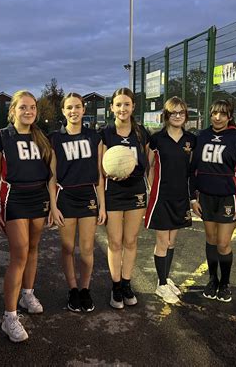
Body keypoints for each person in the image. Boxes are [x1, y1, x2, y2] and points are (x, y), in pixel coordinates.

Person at [0, 90, 51, 342]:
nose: (29, 111)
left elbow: (49, 173)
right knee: (19, 253)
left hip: (38, 197)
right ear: (13, 109)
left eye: (33, 107)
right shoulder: (0, 138)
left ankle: (27, 293)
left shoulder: (41, 138)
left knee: (33, 248)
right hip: (14, 198)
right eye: (23, 107)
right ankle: (9, 316)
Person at [48, 93, 106, 313]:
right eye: (69, 107)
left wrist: (102, 204)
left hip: (87, 197)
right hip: (65, 197)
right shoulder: (55, 138)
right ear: (63, 111)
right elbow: (52, 176)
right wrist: (53, 206)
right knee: (68, 248)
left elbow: (100, 173)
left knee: (88, 248)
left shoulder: (95, 137)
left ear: (84, 110)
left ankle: (84, 289)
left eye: (77, 107)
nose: (73, 111)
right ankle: (72, 289)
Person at [190, 100, 236, 303]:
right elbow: (192, 169)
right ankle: (212, 279)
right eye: (214, 113)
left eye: (222, 114)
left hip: (228, 197)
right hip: (205, 196)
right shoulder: (201, 136)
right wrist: (193, 197)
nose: (217, 117)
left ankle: (225, 282)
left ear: (230, 117)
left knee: (224, 243)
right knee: (210, 239)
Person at [100, 87, 150, 309]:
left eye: (126, 104)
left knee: (130, 240)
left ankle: (127, 283)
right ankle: (116, 286)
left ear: (133, 107)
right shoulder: (105, 134)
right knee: (114, 242)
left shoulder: (141, 133)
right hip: (114, 192)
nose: (122, 108)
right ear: (112, 108)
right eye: (118, 104)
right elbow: (100, 172)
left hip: (136, 190)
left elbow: (148, 164)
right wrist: (101, 203)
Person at [145, 97, 196, 304]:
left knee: (172, 241)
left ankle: (164, 279)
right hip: (161, 196)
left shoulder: (192, 140)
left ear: (185, 115)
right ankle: (162, 284)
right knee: (162, 241)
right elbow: (148, 167)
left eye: (181, 112)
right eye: (173, 112)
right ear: (166, 115)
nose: (177, 116)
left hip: (181, 197)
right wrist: (151, 189)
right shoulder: (157, 139)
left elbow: (192, 169)